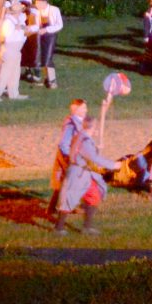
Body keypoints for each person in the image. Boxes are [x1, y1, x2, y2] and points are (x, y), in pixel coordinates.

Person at [48, 99, 113, 232]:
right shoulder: (71, 124)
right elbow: (64, 144)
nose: (86, 110)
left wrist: (105, 106)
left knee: (90, 193)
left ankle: (86, 226)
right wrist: (72, 159)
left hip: (84, 166)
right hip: (76, 165)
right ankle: (58, 225)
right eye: (83, 108)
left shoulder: (81, 123)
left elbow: (91, 128)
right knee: (67, 192)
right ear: (75, 109)